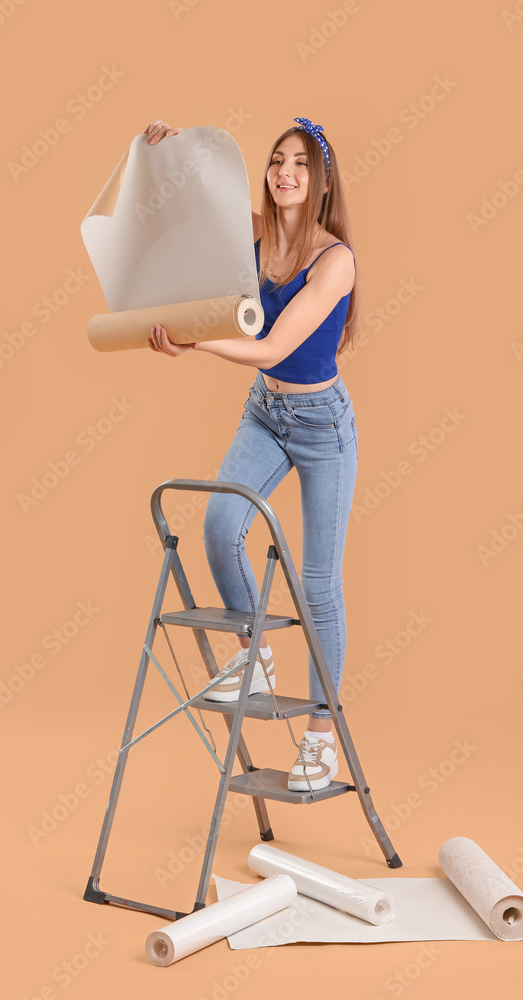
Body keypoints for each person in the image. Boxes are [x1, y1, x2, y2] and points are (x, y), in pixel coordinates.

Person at [144, 116, 360, 792]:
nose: (284, 171)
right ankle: (256, 655)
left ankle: (321, 737)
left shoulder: (335, 260)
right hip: (266, 412)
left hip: (323, 424)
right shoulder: (255, 231)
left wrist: (193, 340)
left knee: (320, 587)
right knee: (218, 527)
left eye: (299, 163)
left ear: (320, 183)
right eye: (275, 161)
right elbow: (189, 201)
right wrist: (169, 145)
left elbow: (272, 348)